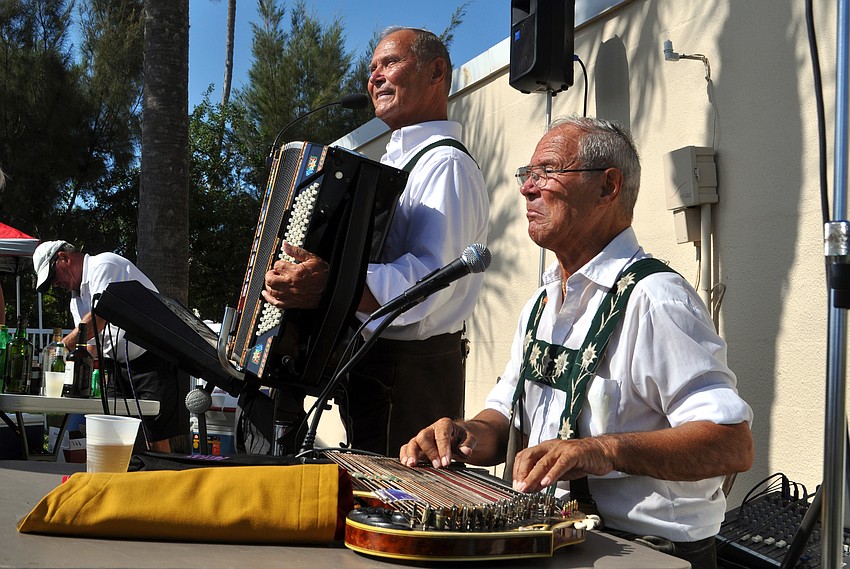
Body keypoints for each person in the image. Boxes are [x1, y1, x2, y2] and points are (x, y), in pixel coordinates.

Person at [399, 117, 753, 569]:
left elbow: (731, 444)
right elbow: (504, 419)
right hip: (553, 541)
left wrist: (604, 451)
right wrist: (463, 434)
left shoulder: (655, 298)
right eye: (526, 175)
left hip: (643, 553)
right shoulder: (542, 303)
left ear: (608, 187)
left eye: (545, 172)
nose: (528, 188)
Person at [262, 27, 490, 455]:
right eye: (371, 69)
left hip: (410, 380)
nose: (376, 77)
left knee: (398, 509)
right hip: (378, 371)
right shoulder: (396, 161)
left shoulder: (445, 164)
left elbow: (426, 285)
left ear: (436, 71)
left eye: (391, 63)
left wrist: (330, 285)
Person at [32, 240, 188, 452]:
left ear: (63, 258)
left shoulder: (104, 265)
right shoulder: (75, 300)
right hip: (119, 364)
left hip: (154, 356)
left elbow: (101, 316)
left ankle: (163, 481)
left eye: (52, 276)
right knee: (112, 431)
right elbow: (91, 345)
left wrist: (61, 347)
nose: (54, 284)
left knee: (156, 437)